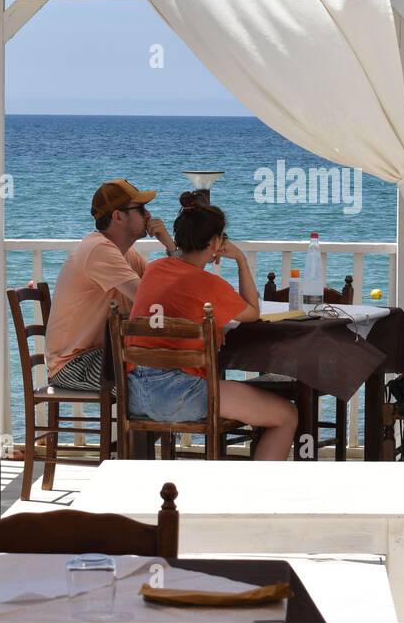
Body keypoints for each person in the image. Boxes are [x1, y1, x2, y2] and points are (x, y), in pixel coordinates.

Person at [126, 193, 298, 460]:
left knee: (257, 404)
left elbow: (178, 279)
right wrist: (241, 260)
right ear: (216, 242)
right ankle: (259, 496)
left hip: (137, 392)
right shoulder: (208, 284)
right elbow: (252, 312)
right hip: (182, 396)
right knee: (286, 415)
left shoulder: (155, 270)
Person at [45, 178, 179, 393]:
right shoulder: (99, 250)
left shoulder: (124, 254)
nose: (148, 215)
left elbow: (168, 293)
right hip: (74, 363)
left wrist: (171, 246)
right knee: (154, 379)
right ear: (118, 216)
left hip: (104, 352)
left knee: (169, 368)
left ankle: (150, 424)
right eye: (141, 208)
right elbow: (150, 300)